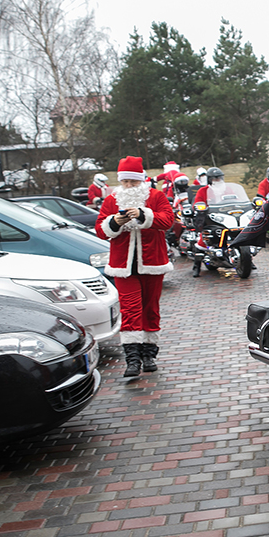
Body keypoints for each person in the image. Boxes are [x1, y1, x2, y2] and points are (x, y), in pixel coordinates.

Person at [96, 156, 175, 377]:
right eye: (126, 182)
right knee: (130, 309)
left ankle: (149, 355)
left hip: (152, 264)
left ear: (142, 180)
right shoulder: (112, 199)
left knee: (151, 308)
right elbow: (101, 230)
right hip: (123, 265)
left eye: (133, 182)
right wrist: (115, 222)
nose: (129, 186)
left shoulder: (156, 196)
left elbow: (168, 220)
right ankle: (132, 359)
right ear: (120, 182)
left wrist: (143, 215)